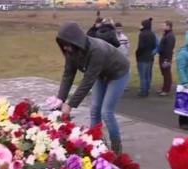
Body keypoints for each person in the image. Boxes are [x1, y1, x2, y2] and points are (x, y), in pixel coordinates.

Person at [56, 21, 130, 154]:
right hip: (101, 74)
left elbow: (88, 80)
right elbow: (68, 74)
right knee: (94, 110)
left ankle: (116, 148)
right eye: (63, 45)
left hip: (118, 73)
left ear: (76, 41)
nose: (65, 48)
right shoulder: (71, 51)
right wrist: (60, 99)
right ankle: (96, 144)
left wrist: (70, 104)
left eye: (67, 45)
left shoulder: (96, 50)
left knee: (106, 112)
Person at [135, 19, 156, 97]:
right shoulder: (152, 34)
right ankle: (147, 89)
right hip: (150, 57)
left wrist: (137, 53)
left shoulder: (142, 34)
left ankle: (143, 92)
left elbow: (141, 46)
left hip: (142, 57)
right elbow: (154, 45)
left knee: (142, 76)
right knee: (147, 75)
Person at [157, 20, 176, 96]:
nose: (162, 26)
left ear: (168, 26)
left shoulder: (170, 36)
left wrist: (167, 60)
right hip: (162, 56)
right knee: (164, 73)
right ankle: (163, 88)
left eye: (164, 25)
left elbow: (169, 48)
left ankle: (166, 90)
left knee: (167, 73)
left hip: (166, 57)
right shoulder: (166, 34)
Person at [116, 22, 131, 91]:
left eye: (120, 28)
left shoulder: (124, 37)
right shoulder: (113, 37)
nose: (119, 30)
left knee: (126, 71)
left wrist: (127, 55)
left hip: (124, 57)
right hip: (116, 57)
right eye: (117, 28)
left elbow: (128, 47)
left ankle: (125, 85)